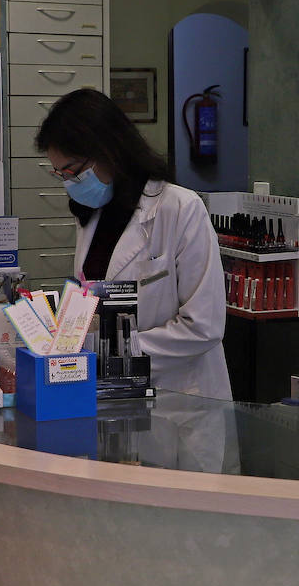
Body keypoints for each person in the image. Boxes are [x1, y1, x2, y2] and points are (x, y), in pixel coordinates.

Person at [36, 88, 231, 399]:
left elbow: (202, 328)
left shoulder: (180, 209)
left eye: (72, 171)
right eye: (60, 174)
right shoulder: (92, 214)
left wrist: (111, 354)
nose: (69, 183)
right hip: (113, 391)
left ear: (108, 150)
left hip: (179, 397)